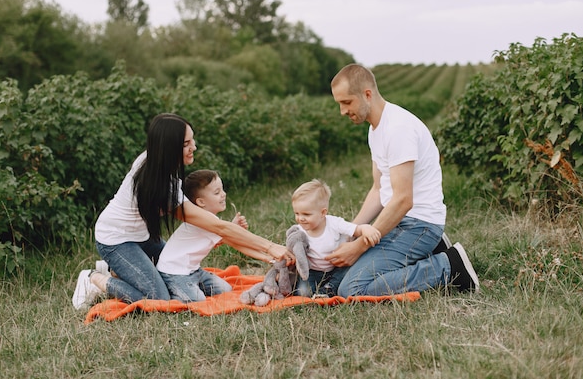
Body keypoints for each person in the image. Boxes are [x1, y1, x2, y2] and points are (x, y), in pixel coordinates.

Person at [72, 113, 293, 310]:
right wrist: (271, 247)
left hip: (143, 237)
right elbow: (219, 227)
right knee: (158, 297)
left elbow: (221, 233)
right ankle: (95, 279)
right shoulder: (159, 183)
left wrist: (267, 254)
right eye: (186, 143)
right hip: (116, 240)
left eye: (192, 140)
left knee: (171, 271)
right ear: (169, 147)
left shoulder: (157, 162)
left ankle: (117, 268)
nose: (194, 146)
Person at [326, 63, 479, 297]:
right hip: (398, 222)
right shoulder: (375, 129)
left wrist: (359, 247)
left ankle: (449, 267)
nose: (342, 111)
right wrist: (352, 232)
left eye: (346, 102)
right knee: (337, 277)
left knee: (353, 288)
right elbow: (378, 189)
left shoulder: (398, 129)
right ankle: (431, 251)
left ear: (367, 94)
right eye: (339, 104)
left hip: (419, 224)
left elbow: (403, 200)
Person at [157, 169, 272, 303]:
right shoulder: (206, 223)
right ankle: (172, 291)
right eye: (217, 193)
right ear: (201, 202)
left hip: (194, 271)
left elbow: (221, 236)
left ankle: (191, 287)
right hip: (174, 273)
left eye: (222, 190)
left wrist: (232, 226)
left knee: (225, 289)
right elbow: (236, 242)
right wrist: (267, 257)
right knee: (196, 300)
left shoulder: (209, 221)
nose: (223, 195)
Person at [290, 179, 382, 298]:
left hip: (336, 267)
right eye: (297, 213)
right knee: (302, 293)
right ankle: (316, 290)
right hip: (311, 271)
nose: (300, 218)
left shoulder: (334, 223)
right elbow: (292, 248)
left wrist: (365, 229)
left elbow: (354, 229)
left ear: (323, 213)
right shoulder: (299, 230)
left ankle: (328, 289)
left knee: (347, 271)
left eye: (306, 214)